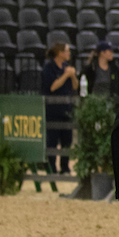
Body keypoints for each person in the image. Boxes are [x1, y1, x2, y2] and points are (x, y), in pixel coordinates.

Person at [39, 42, 77, 173]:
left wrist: (72, 76)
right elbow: (52, 87)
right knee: (52, 140)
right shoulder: (49, 68)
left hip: (66, 109)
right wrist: (66, 75)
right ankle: (51, 168)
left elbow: (75, 86)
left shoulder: (66, 67)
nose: (69, 53)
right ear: (60, 53)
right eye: (67, 51)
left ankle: (65, 167)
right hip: (53, 110)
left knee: (67, 140)